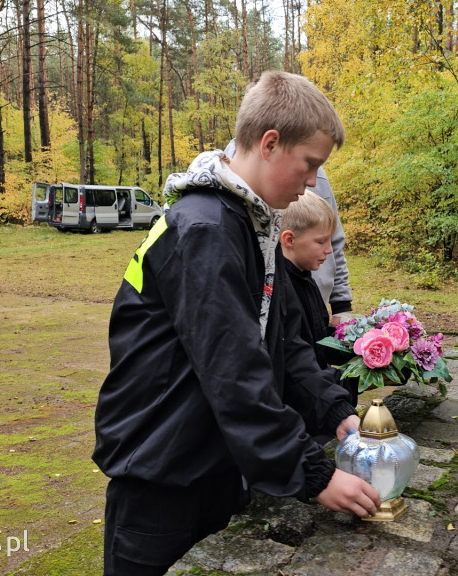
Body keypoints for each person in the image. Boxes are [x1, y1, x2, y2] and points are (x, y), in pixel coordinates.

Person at [92, 71, 381, 576]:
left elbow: (284, 345)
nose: (313, 182)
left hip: (213, 466)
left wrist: (336, 411)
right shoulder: (203, 228)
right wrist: (313, 474)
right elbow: (234, 370)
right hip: (161, 479)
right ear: (270, 143)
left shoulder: (253, 227)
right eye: (310, 164)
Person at [225, 136, 353, 323]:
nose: (310, 181)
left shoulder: (316, 176)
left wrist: (342, 305)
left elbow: (334, 239)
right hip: (271, 314)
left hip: (315, 302)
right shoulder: (225, 196)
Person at [279, 189, 358, 407]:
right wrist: (356, 383)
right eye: (321, 241)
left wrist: (362, 348)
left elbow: (320, 340)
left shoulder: (306, 277)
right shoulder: (283, 291)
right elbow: (299, 370)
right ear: (289, 239)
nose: (330, 251)